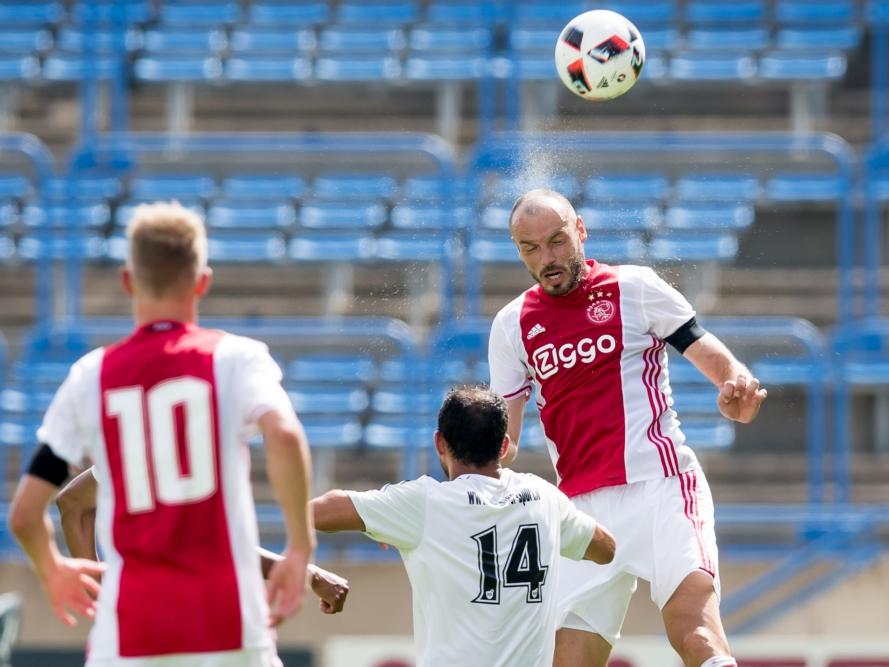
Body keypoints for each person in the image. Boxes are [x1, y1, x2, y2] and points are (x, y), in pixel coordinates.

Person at [8, 202, 315, 666]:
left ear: (128, 281)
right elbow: (286, 436)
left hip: (130, 633)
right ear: (203, 282)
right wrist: (299, 547)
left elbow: (26, 514)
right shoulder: (236, 358)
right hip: (230, 626)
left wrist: (52, 571)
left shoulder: (91, 376)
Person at [487, 189, 768, 667]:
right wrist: (462, 484)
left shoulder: (634, 288)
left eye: (557, 240)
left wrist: (737, 391)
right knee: (569, 659)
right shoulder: (512, 324)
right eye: (530, 248)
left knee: (695, 633)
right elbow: (503, 443)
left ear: (580, 231)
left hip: (661, 486)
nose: (548, 258)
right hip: (581, 512)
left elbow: (719, 363)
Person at [312, 386, 617, 667]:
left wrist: (380, 522)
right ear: (504, 445)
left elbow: (320, 514)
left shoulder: (424, 504)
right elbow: (606, 549)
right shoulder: (544, 497)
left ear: (439, 442)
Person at [55, 466, 350, 615]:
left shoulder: (133, 443)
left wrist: (98, 590)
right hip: (197, 619)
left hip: (137, 622)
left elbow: (71, 504)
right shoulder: (190, 451)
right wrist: (307, 573)